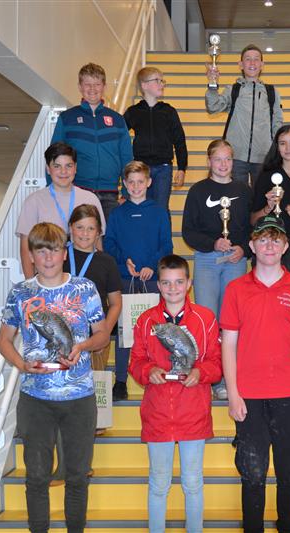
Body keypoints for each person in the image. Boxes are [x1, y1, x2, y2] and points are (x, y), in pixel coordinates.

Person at [0, 222, 109, 533]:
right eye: (41, 250)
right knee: (36, 477)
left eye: (54, 250)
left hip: (80, 398)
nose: (48, 257)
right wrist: (21, 364)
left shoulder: (84, 288)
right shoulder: (20, 292)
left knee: (77, 477)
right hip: (35, 399)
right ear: (31, 255)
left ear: (64, 253)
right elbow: (3, 340)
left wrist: (81, 346)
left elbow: (102, 334)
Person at [220, 214, 290, 533]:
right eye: (262, 239)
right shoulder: (236, 289)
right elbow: (228, 345)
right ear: (251, 245)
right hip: (249, 396)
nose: (269, 246)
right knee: (252, 475)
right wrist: (233, 393)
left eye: (275, 240)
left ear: (285, 246)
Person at [128, 254, 222, 533]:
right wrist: (149, 371)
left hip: (193, 412)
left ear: (189, 283)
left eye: (179, 282)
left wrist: (200, 373)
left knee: (192, 483)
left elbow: (216, 363)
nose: (173, 288)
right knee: (159, 483)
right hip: (158, 413)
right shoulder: (146, 320)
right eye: (167, 283)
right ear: (158, 285)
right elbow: (136, 362)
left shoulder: (205, 318)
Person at [182, 139, 251, 400]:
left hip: (234, 261)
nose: (223, 164)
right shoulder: (198, 191)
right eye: (218, 159)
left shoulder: (243, 190)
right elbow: (189, 231)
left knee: (231, 321)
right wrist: (213, 243)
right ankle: (208, 377)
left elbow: (250, 228)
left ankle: (227, 378)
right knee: (207, 321)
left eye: (228, 159)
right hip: (207, 260)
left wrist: (243, 248)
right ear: (209, 161)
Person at [105, 161, 173, 401]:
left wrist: (152, 265)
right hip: (125, 280)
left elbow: (167, 245)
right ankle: (121, 380)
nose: (135, 186)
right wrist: (125, 263)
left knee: (156, 331)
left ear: (149, 182)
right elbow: (109, 244)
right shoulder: (117, 213)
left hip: (152, 280)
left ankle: (159, 374)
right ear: (124, 183)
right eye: (131, 182)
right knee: (125, 331)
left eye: (140, 182)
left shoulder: (159, 212)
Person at [51, 62, 133, 219]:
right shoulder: (67, 118)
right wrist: (53, 190)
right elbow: (54, 157)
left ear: (104, 87)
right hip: (78, 192)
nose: (92, 89)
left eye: (97, 84)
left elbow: (126, 158)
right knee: (80, 234)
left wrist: (126, 193)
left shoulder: (117, 120)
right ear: (80, 87)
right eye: (87, 84)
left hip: (110, 194)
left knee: (109, 235)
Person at [16, 142, 106, 279]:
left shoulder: (90, 199)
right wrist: (31, 284)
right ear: (48, 169)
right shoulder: (33, 201)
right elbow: (25, 249)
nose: (63, 172)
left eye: (68, 166)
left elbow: (97, 242)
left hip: (86, 277)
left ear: (75, 168)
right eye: (57, 166)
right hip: (47, 279)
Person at [206, 44, 283, 186]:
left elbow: (277, 124)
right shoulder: (233, 90)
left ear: (262, 64)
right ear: (241, 64)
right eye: (248, 59)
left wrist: (276, 151)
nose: (252, 63)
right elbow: (213, 107)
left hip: (263, 158)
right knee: (236, 197)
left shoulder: (272, 92)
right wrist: (212, 84)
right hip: (236, 157)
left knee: (261, 197)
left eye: (256, 59)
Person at [65, 204, 122, 372]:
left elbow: (116, 303)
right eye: (79, 227)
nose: (85, 233)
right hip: (62, 337)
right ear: (70, 228)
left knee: (95, 386)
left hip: (95, 340)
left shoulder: (107, 262)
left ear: (98, 232)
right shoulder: (59, 256)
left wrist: (103, 336)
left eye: (91, 228)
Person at [123, 66, 188, 214]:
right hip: (140, 168)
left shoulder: (168, 111)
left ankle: (163, 230)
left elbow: (179, 140)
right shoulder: (133, 112)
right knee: (140, 207)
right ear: (144, 85)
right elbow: (119, 136)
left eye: (162, 81)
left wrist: (182, 167)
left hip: (163, 168)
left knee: (161, 209)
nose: (161, 84)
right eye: (157, 80)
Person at [250, 125, 290, 276]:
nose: (288, 148)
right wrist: (268, 208)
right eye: (283, 143)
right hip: (266, 244)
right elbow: (253, 220)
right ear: (277, 147)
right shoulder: (266, 177)